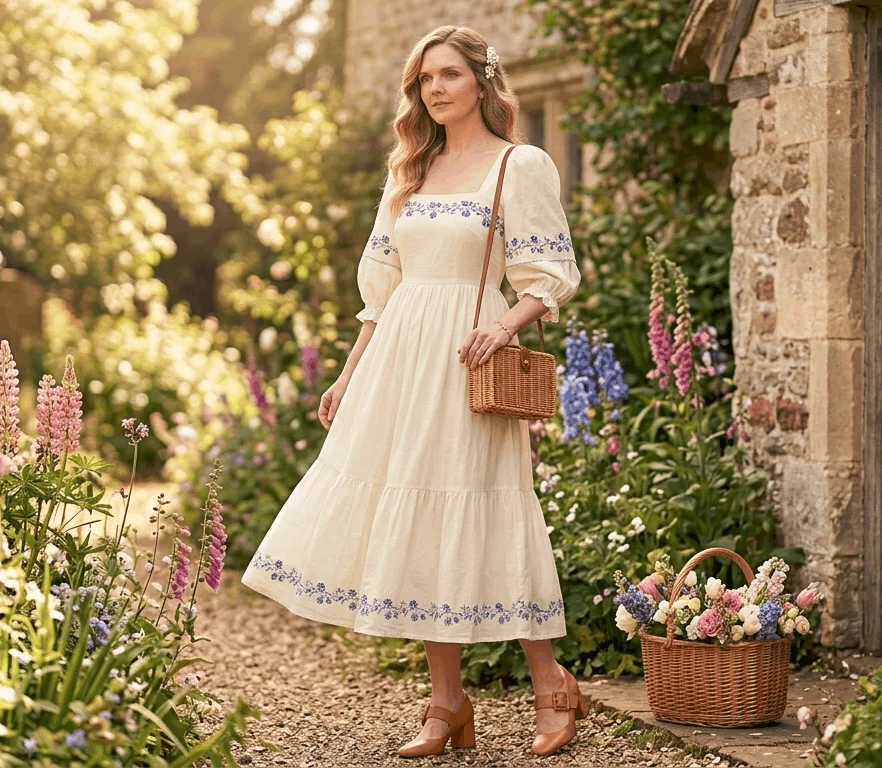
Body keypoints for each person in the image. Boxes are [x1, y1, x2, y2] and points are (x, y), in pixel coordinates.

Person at [239, 24, 585, 759]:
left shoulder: (517, 166)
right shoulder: (411, 173)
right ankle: (446, 702)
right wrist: (348, 371)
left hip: (470, 355)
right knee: (426, 516)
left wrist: (505, 327)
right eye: (425, 78)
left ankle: (552, 682)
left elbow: (550, 273)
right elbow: (381, 292)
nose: (435, 88)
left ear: (482, 83)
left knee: (492, 508)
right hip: (401, 356)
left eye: (450, 75)